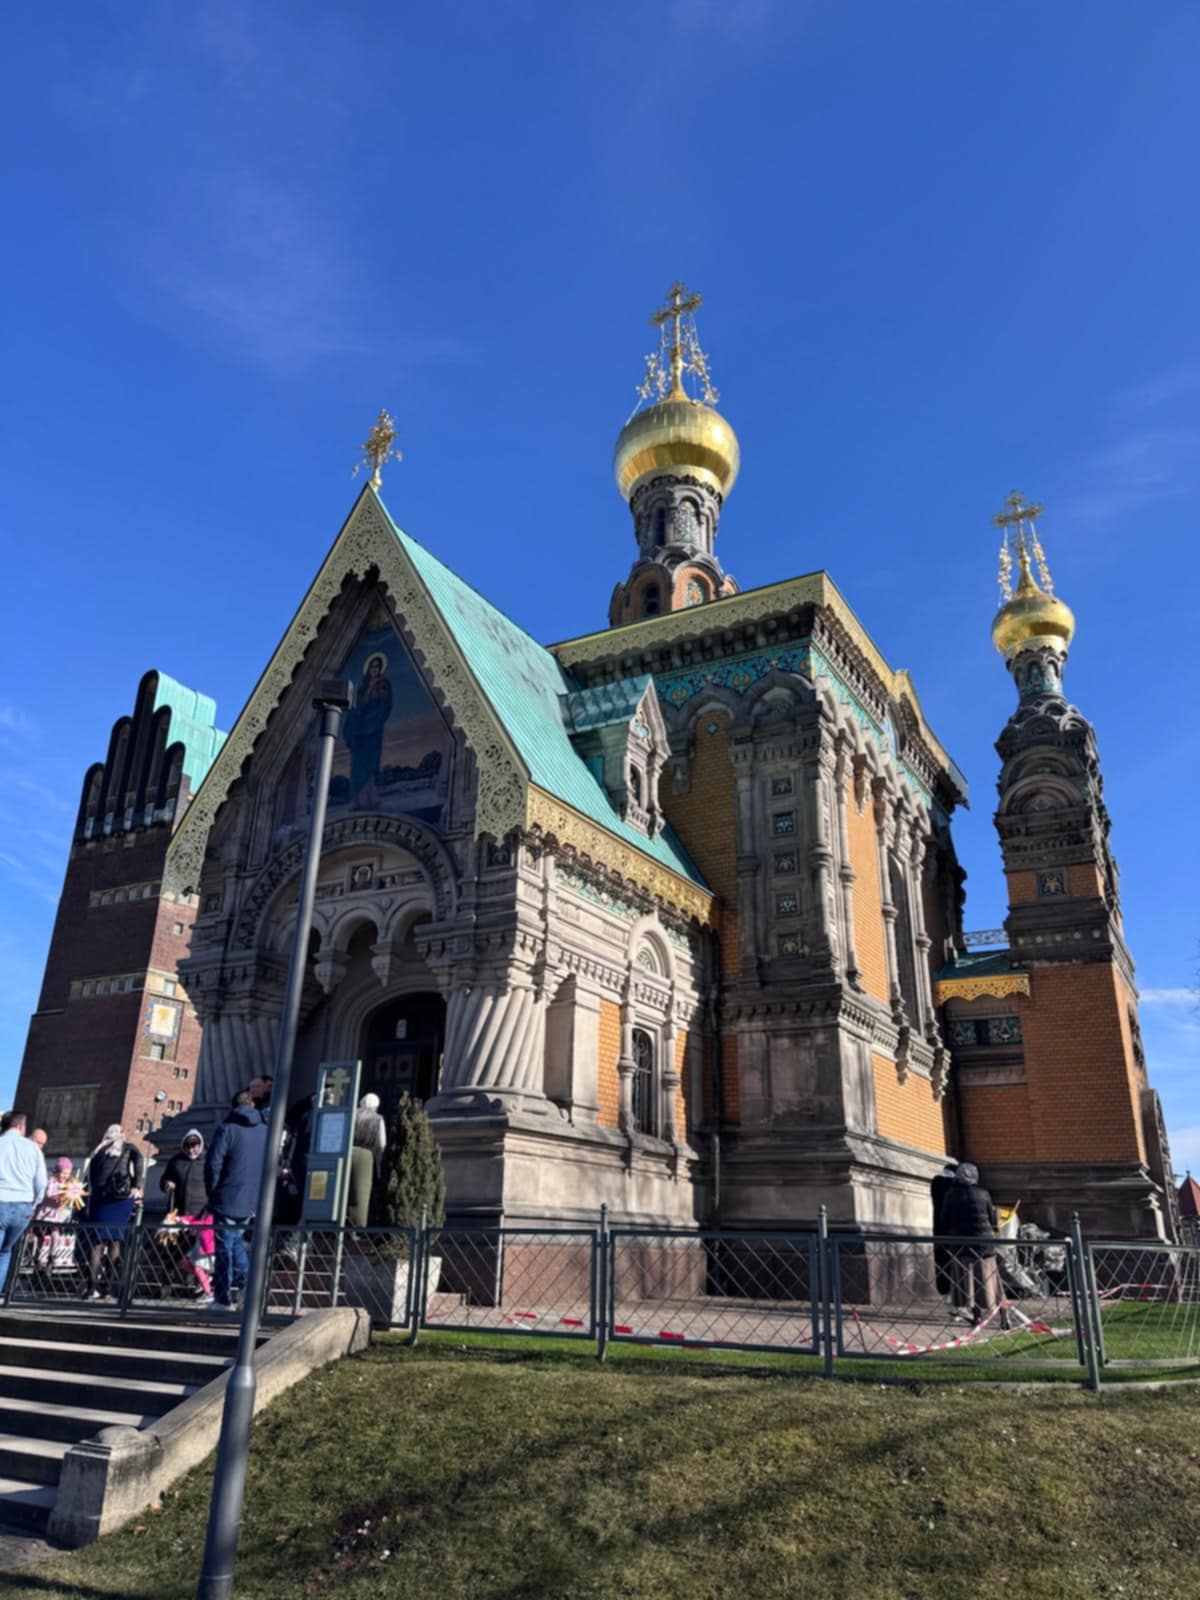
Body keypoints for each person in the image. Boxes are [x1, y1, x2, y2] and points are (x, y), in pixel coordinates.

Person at [205, 1091, 268, 1309]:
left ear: (233, 1107)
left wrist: (213, 1191)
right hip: (252, 1198)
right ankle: (245, 1290)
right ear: (252, 1105)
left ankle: (223, 1298)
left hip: (227, 1196)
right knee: (236, 1243)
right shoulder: (265, 1130)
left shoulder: (227, 1129)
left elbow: (213, 1163)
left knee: (225, 1247)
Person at [940, 1162, 1006, 1328]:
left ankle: (977, 1317)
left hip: (962, 1247)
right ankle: (1004, 1316)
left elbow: (944, 1220)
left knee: (970, 1284)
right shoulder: (983, 1193)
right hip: (985, 1246)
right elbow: (992, 1218)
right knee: (994, 1283)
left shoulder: (951, 1195)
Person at [83, 1126, 144, 1300]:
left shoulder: (98, 1151)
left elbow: (91, 1176)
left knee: (97, 1243)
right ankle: (109, 1287)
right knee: (115, 1242)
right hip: (120, 1199)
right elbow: (139, 1160)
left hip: (100, 1200)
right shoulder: (128, 1148)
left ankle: (92, 1287)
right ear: (121, 1135)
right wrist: (137, 1185)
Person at [160, 1129, 214, 1303]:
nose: (192, 1150)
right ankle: (166, 1286)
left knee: (199, 1254)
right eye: (188, 1146)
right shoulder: (176, 1161)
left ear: (200, 1145)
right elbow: (163, 1179)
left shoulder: (209, 1160)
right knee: (172, 1251)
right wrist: (167, 1183)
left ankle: (198, 1286)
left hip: (200, 1216)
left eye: (195, 1146)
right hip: (179, 1213)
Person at [0, 1111, 47, 1292]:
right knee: (5, 1251)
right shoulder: (33, 1149)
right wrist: (33, 1205)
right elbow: (41, 1183)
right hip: (23, 1206)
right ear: (21, 1126)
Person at [32, 1156, 85, 1276]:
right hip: (46, 1214)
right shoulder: (52, 1181)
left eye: (67, 1173)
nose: (65, 1176)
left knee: (56, 1236)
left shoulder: (68, 1184)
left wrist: (70, 1198)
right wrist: (62, 1195)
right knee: (41, 1237)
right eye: (63, 1173)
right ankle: (37, 1258)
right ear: (57, 1171)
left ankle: (52, 1258)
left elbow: (71, 1198)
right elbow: (49, 1193)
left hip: (56, 1216)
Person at [348, 1093, 387, 1228]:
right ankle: (357, 1226)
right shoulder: (377, 1119)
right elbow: (381, 1144)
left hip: (348, 1153)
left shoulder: (352, 1114)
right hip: (366, 1155)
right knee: (360, 1195)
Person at [930, 1160, 958, 1299]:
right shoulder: (955, 1187)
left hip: (938, 1230)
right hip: (954, 1231)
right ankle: (954, 1293)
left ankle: (944, 1290)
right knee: (954, 1263)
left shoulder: (936, 1183)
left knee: (941, 1262)